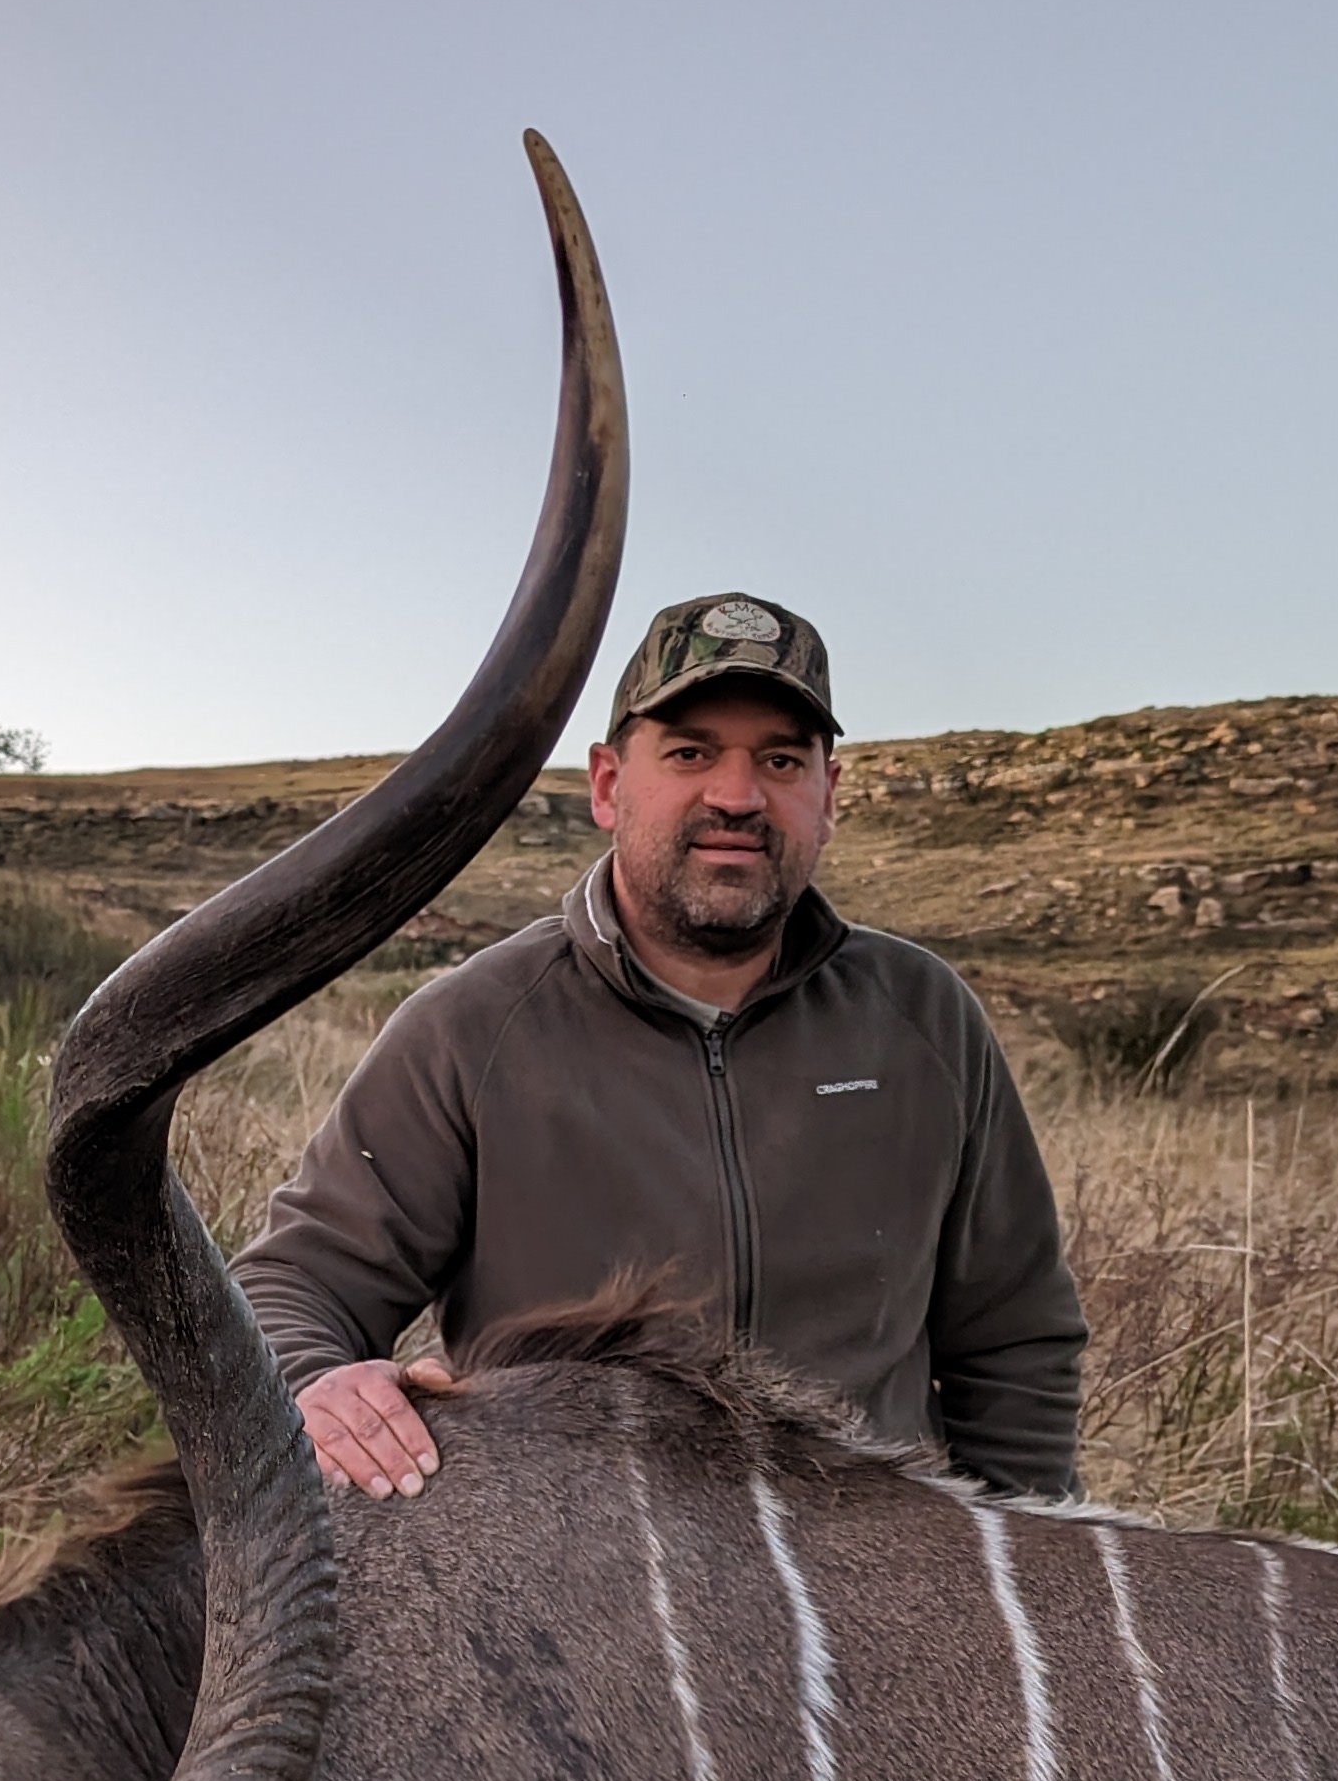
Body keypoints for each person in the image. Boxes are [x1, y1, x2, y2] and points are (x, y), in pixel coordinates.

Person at [234, 591, 1085, 1498]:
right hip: (584, 1583)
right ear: (608, 785)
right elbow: (289, 1287)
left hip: (873, 1584)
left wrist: (1030, 1576)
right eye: (689, 753)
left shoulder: (923, 1015)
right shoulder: (471, 1027)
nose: (736, 794)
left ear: (827, 798)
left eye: (781, 759)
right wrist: (318, 1383)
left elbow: (1015, 1340)